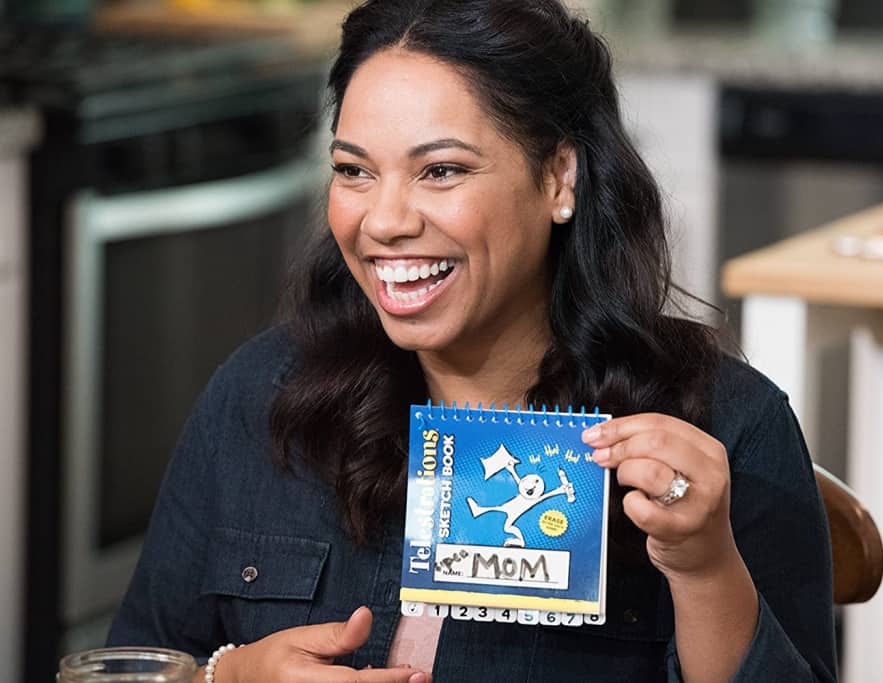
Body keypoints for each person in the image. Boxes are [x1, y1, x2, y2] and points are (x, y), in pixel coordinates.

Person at [108, 1, 837, 681]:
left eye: (442, 170)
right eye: (354, 170)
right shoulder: (261, 394)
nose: (385, 219)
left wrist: (705, 566)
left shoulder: (728, 426)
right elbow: (133, 660)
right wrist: (227, 673)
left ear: (559, 177)